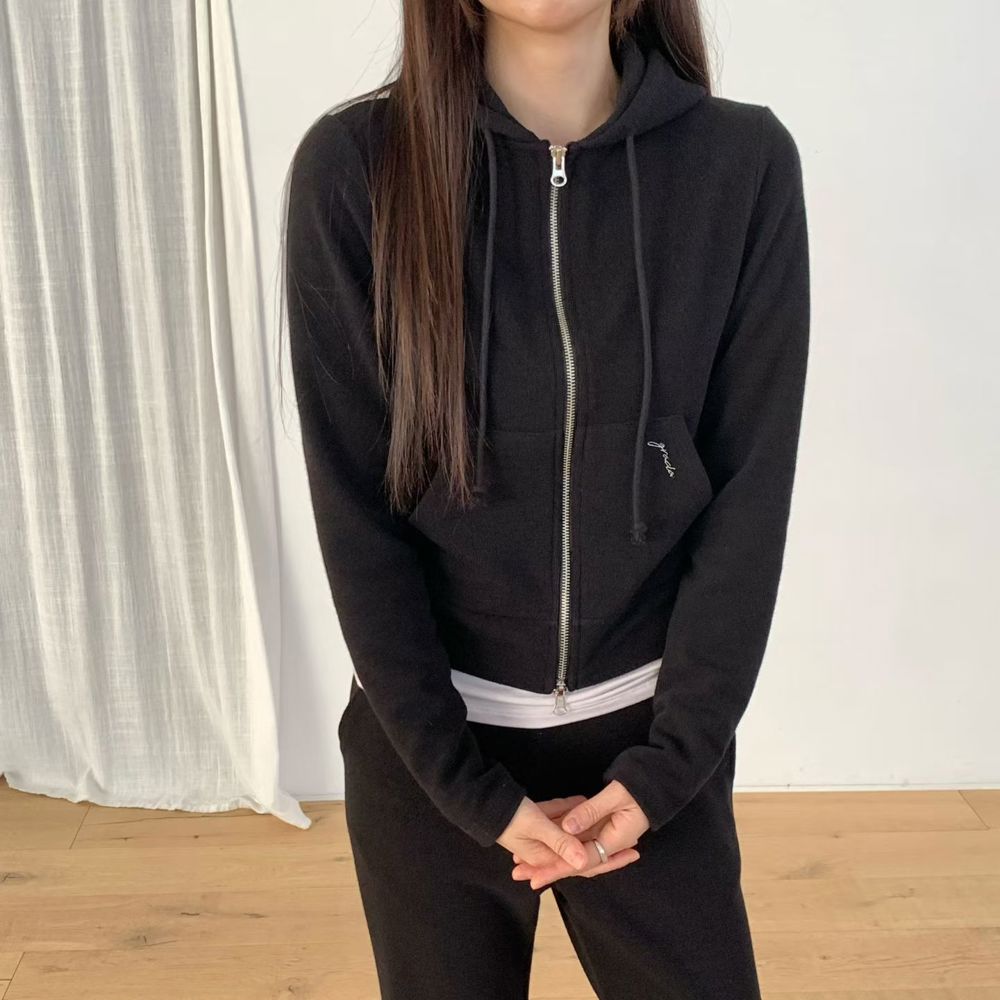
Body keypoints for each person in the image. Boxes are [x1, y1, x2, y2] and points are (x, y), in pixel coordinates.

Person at [281, 0, 809, 996]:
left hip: (650, 750)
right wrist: (462, 785)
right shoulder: (354, 169)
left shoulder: (740, 165)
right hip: (429, 751)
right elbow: (357, 522)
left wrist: (667, 769)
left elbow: (750, 500)